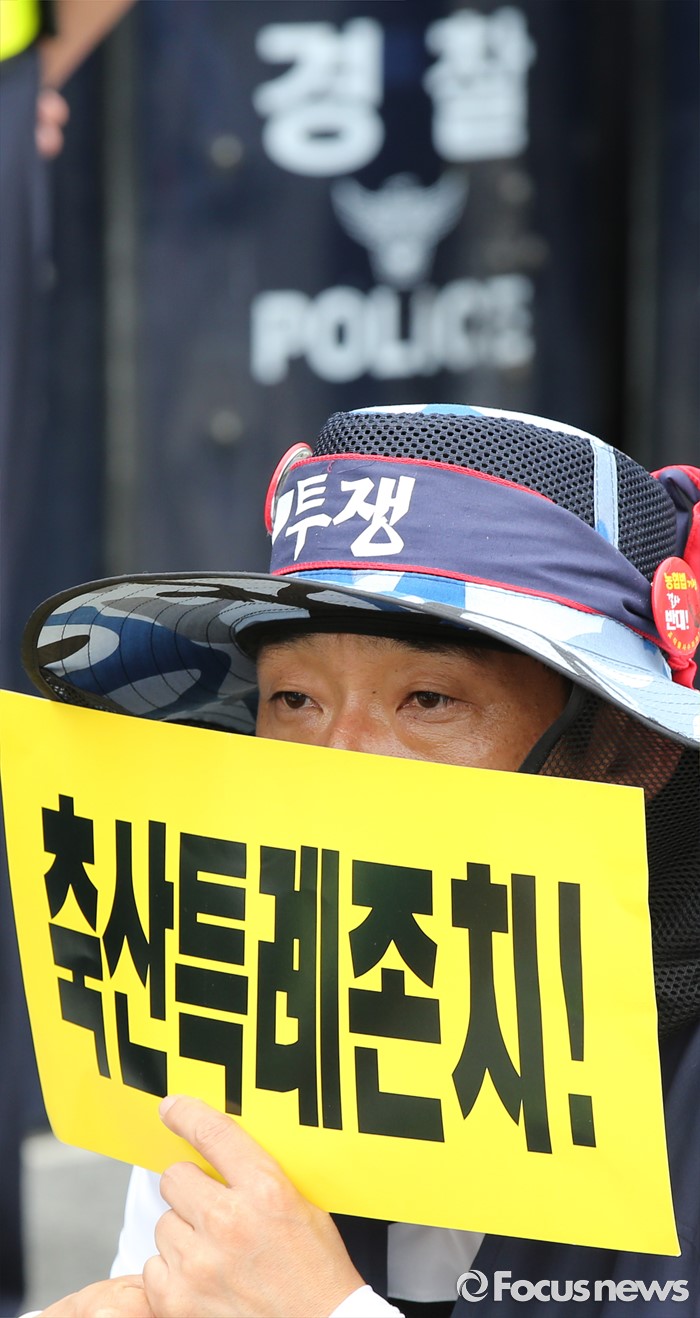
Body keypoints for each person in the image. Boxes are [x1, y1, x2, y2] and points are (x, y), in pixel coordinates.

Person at [20, 404, 700, 1317]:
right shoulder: (240, 1022)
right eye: (294, 700)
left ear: (623, 754)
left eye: (428, 700)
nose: (334, 767)